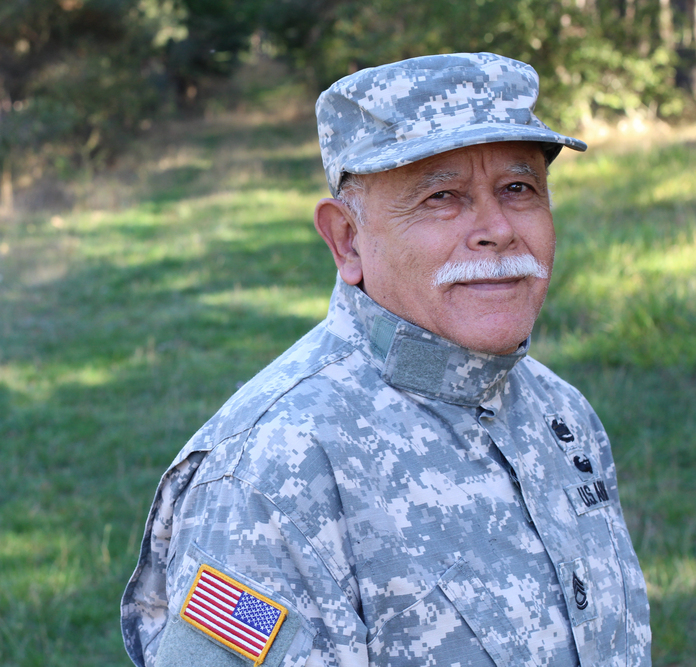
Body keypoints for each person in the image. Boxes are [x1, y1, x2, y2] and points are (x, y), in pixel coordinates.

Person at [121, 52, 651, 667]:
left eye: (518, 188)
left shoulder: (560, 413)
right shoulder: (271, 472)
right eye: (442, 197)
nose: (497, 229)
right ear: (347, 240)